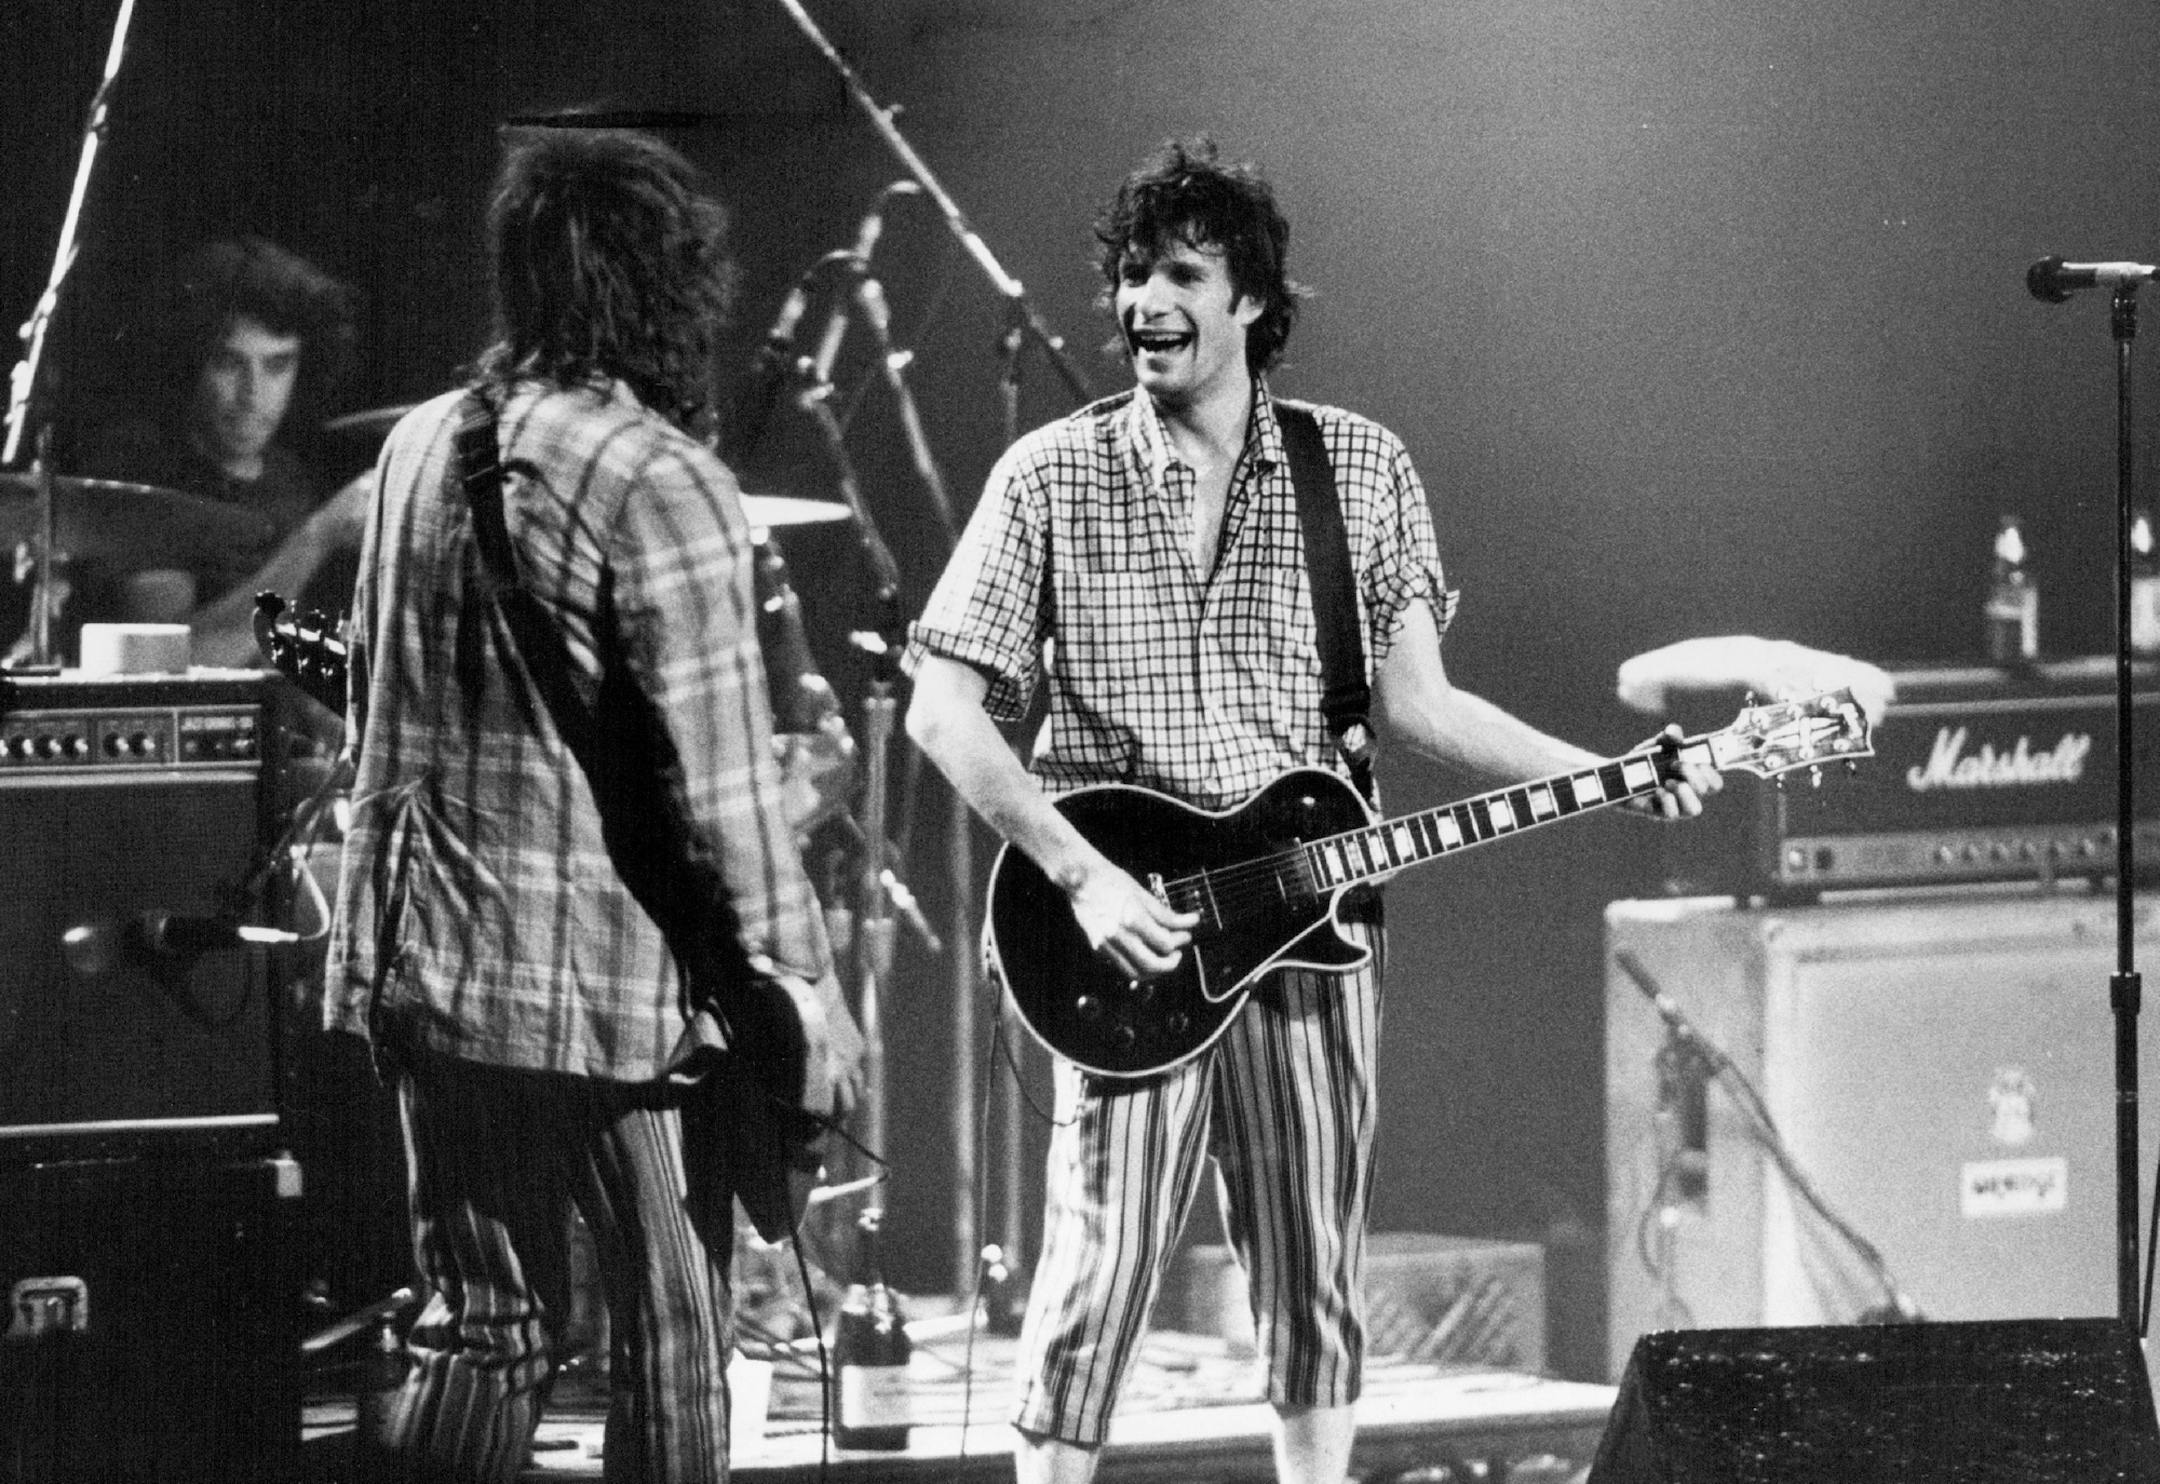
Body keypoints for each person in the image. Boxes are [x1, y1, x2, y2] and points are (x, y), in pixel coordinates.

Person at [902, 138, 1719, 1484]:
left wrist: (1624, 768)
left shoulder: (1359, 468)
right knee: (1099, 1273)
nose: (1141, 303)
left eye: (1177, 274)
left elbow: (1426, 710)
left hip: (1315, 925)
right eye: (1127, 275)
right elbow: (941, 708)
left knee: (1311, 1271)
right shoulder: (1053, 476)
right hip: (1133, 930)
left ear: (1250, 302)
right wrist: (1080, 876)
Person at [324, 128, 863, 1483]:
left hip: (421, 958)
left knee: (481, 1332)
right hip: (595, 992)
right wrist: (811, 993)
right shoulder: (660, 476)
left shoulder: (413, 449)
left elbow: (377, 711)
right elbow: (727, 796)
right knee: (674, 1337)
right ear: (667, 287)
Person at [73, 234, 368, 665]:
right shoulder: (141, 474)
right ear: (194, 361)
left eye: (277, 365)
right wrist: (316, 537)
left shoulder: (291, 476)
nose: (253, 394)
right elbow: (174, 662)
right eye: (230, 363)